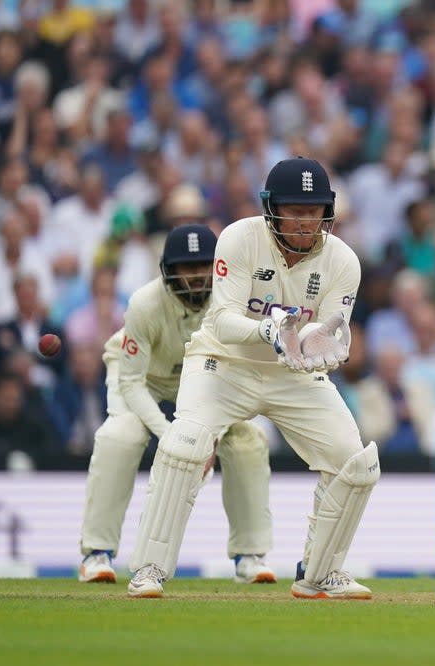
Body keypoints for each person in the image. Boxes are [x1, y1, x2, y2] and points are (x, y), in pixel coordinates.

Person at [127, 157, 378, 600]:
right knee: (185, 443)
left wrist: (327, 347)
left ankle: (321, 573)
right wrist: (270, 331)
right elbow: (222, 321)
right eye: (294, 210)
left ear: (327, 211)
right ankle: (149, 568)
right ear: (271, 208)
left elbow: (330, 332)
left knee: (354, 461)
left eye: (314, 210)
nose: (304, 221)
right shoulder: (239, 239)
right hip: (224, 364)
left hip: (293, 372)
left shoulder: (343, 261)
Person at [79, 224, 276, 585]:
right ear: (169, 270)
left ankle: (250, 556)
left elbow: (239, 371)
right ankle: (97, 553)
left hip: (209, 382)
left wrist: (210, 437)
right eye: (187, 268)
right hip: (143, 378)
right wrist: (174, 437)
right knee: (120, 437)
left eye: (203, 266)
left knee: (248, 441)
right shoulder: (145, 303)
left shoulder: (232, 300)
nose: (197, 276)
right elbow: (132, 384)